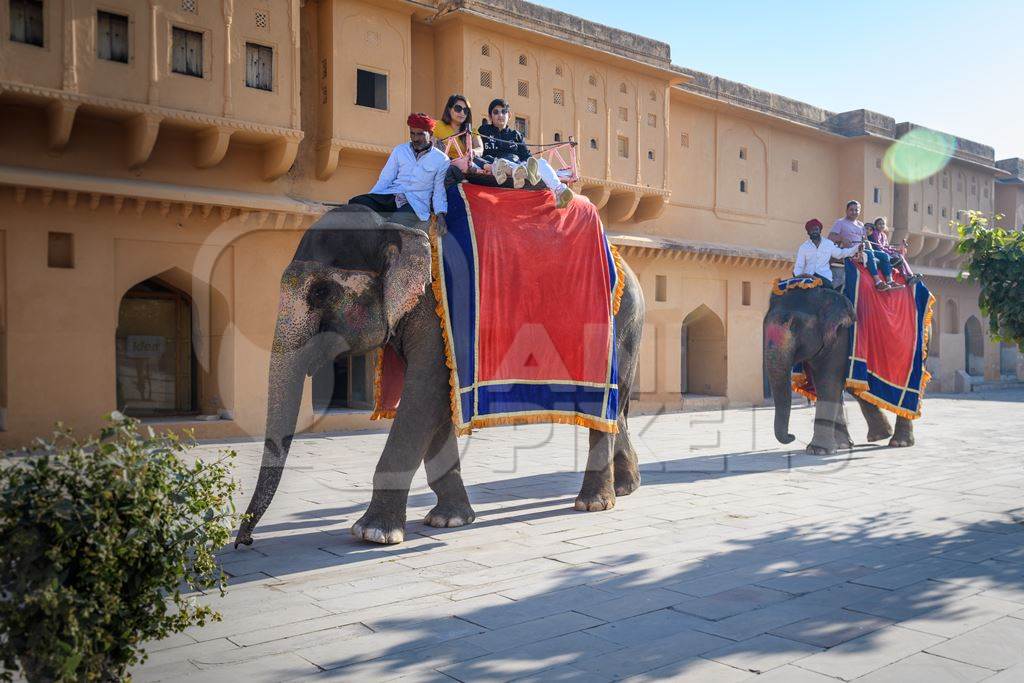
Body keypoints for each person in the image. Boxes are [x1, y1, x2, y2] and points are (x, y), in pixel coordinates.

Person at [349, 113, 449, 227]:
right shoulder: (400, 150)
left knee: (393, 225)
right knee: (356, 203)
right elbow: (385, 178)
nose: (415, 138)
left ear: (430, 134)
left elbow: (439, 191)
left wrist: (440, 214)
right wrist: (373, 198)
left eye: (420, 134)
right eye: (412, 133)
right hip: (392, 196)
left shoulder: (441, 159)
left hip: (415, 204)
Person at [478, 98, 575, 208]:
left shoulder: (515, 135)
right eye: (496, 112)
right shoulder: (484, 130)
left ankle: (560, 190)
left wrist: (529, 164)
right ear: (490, 117)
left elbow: (526, 156)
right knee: (506, 164)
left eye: (504, 112)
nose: (500, 115)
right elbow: (479, 149)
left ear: (509, 115)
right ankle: (528, 173)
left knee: (540, 162)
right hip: (497, 164)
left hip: (518, 164)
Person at [794, 218, 862, 287]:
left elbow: (840, 254)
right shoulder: (803, 247)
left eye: (816, 229)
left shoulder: (828, 244)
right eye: (811, 230)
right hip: (809, 278)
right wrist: (797, 279)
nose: (814, 232)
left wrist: (856, 248)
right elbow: (799, 266)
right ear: (808, 232)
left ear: (820, 230)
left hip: (824, 278)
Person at [433, 94, 484, 169]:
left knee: (487, 159)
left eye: (465, 110)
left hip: (468, 166)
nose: (462, 113)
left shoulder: (472, 130)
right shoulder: (436, 125)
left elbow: (480, 148)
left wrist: (473, 152)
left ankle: (496, 168)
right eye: (458, 108)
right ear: (449, 109)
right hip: (447, 167)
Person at [864, 217, 902, 290]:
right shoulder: (872, 234)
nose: (868, 230)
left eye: (870, 229)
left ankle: (890, 281)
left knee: (889, 256)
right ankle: (878, 282)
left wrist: (894, 251)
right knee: (884, 255)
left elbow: (886, 246)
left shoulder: (883, 235)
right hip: (865, 252)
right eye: (866, 228)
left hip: (873, 251)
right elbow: (878, 247)